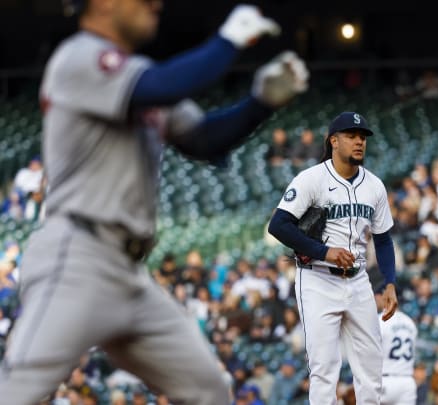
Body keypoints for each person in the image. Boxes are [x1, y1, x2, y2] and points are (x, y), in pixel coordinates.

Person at [0, 1, 308, 404]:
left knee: (209, 393)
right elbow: (163, 87)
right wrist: (226, 42)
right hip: (77, 257)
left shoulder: (135, 74)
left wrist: (259, 104)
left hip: (130, 273)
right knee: (17, 392)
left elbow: (202, 138)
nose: (156, 3)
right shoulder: (78, 58)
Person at [268, 111, 398, 404]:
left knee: (371, 366)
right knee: (325, 368)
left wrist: (390, 283)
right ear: (333, 141)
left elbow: (383, 238)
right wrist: (324, 252)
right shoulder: (311, 179)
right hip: (317, 279)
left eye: (362, 137)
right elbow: (278, 225)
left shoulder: (374, 185)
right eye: (352, 136)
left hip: (359, 281)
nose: (359, 142)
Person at [375, 285, 417, 405]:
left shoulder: (380, 320)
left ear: (384, 296)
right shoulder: (410, 323)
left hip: (384, 379)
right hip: (407, 382)